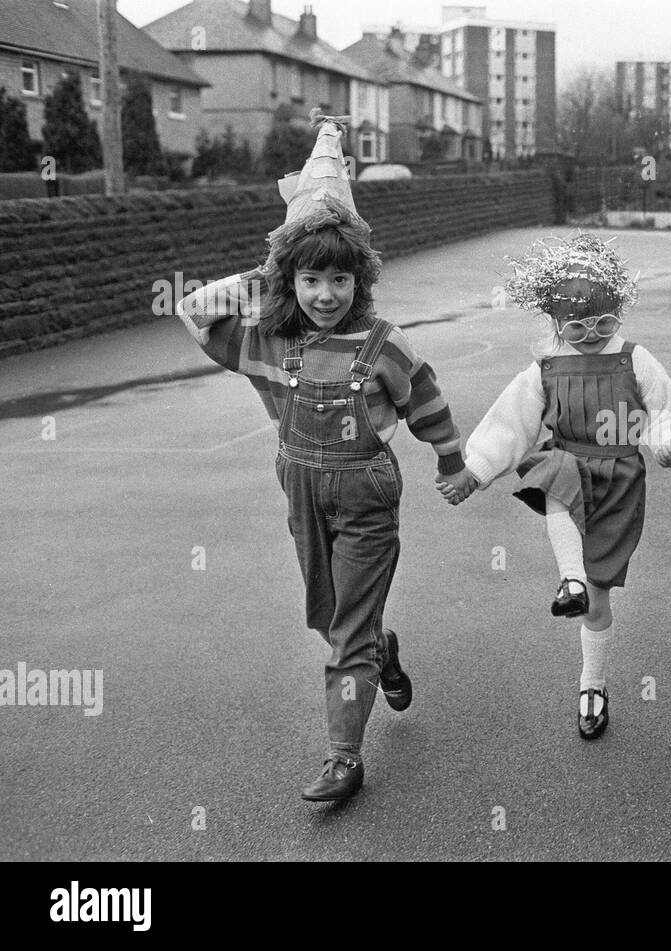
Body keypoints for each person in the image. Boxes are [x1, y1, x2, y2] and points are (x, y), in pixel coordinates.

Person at [174, 111, 465, 801]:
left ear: (358, 280)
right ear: (290, 282)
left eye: (338, 279)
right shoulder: (269, 345)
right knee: (326, 618)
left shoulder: (384, 341)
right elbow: (193, 310)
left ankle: (344, 756)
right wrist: (272, 265)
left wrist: (452, 462)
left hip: (366, 498)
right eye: (309, 279)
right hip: (301, 493)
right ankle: (381, 651)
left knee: (348, 634)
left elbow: (427, 402)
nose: (325, 294)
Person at [438, 234, 671, 740]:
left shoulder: (635, 360)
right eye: (576, 326)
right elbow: (511, 423)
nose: (591, 335)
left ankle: (592, 678)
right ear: (555, 324)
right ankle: (569, 580)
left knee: (600, 599)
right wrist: (476, 470)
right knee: (554, 474)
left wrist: (669, 442)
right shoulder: (546, 369)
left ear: (618, 311)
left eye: (604, 323)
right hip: (570, 457)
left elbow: (669, 411)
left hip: (619, 477)